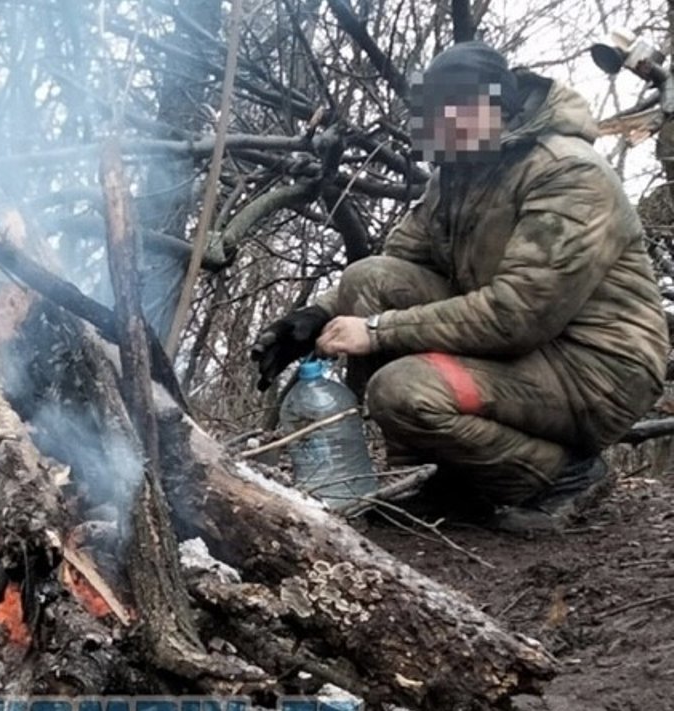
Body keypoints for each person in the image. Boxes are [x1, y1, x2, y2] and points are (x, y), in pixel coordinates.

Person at [251, 41, 670, 531]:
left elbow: (520, 314)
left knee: (402, 390)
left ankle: (565, 475)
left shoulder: (567, 171)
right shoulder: (459, 173)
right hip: (525, 351)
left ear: (486, 107)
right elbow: (394, 267)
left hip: (599, 368)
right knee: (367, 279)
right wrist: (314, 318)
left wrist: (378, 330)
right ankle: (462, 479)